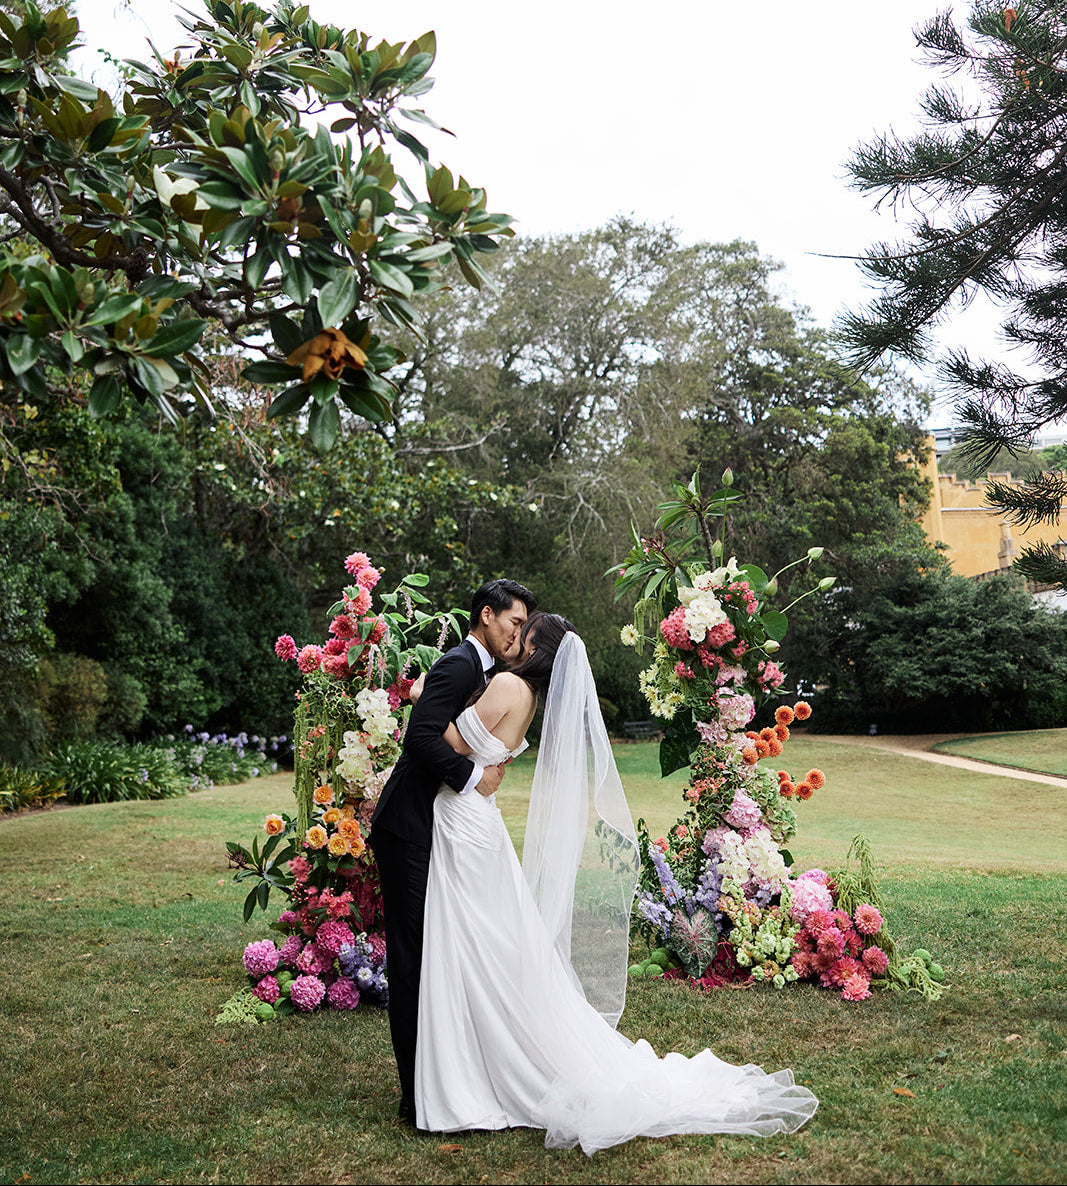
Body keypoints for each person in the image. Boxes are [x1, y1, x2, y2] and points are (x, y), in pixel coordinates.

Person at [411, 611, 819, 1155]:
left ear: (536, 647)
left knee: (477, 940)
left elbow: (451, 745)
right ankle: (473, 1059)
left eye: (523, 631)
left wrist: (422, 693)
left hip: (465, 824)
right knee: (485, 941)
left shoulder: (507, 684)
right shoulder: (528, 698)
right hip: (473, 820)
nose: (513, 636)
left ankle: (474, 1071)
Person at [368, 577, 537, 1127]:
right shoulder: (462, 663)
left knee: (430, 953)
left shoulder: (483, 674)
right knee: (412, 958)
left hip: (431, 824)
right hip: (409, 825)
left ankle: (436, 1079)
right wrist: (474, 779)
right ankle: (416, 1094)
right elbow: (418, 739)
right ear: (486, 616)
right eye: (514, 622)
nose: (518, 634)